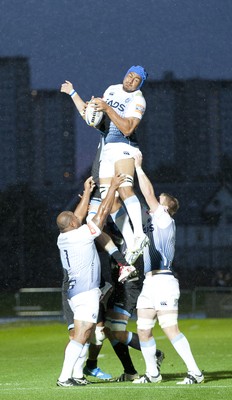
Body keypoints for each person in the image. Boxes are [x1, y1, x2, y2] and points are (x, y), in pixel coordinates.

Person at [60, 65, 150, 277]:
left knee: (125, 188)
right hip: (108, 149)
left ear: (140, 83)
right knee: (113, 203)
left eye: (137, 79)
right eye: (130, 75)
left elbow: (128, 128)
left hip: (124, 145)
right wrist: (74, 94)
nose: (131, 80)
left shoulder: (138, 99)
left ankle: (138, 234)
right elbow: (91, 118)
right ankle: (129, 246)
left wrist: (108, 109)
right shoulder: (111, 89)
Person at [131, 151, 204, 385]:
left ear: (165, 207)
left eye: (159, 201)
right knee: (143, 329)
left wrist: (138, 168)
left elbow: (148, 193)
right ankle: (153, 374)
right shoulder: (153, 222)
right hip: (149, 282)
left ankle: (195, 373)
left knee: (170, 328)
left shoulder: (164, 219)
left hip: (163, 281)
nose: (154, 202)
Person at [56, 172, 126, 387]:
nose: (80, 217)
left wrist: (86, 193)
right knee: (83, 333)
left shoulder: (65, 236)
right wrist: (113, 187)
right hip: (85, 293)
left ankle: (76, 375)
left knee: (83, 333)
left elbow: (75, 217)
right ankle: (64, 377)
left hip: (76, 292)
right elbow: (102, 213)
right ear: (74, 223)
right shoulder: (80, 234)